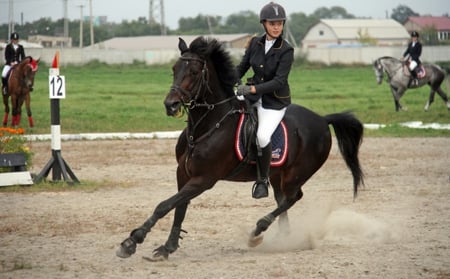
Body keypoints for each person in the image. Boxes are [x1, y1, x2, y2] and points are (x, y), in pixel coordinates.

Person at [235, 2, 294, 199]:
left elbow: (279, 81)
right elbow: (242, 67)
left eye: (280, 23)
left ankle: (262, 180)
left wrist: (251, 88)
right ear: (264, 24)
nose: (277, 27)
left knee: (262, 136)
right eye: (272, 23)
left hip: (274, 102)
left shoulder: (286, 49)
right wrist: (229, 81)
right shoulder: (254, 43)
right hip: (253, 95)